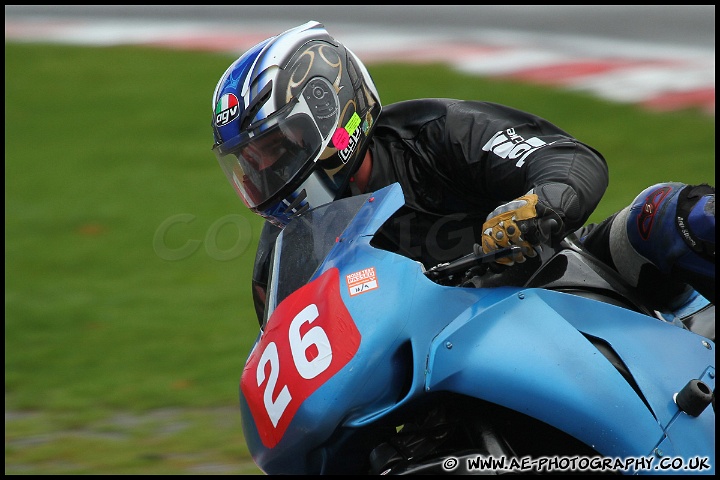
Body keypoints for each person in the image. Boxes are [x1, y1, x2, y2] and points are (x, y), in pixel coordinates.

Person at [210, 21, 714, 328]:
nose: (265, 172)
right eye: (250, 162)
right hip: (440, 377)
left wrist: (537, 207)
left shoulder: (435, 132)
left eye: (273, 148)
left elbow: (569, 159)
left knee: (669, 214)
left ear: (330, 116)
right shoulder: (279, 260)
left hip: (565, 293)